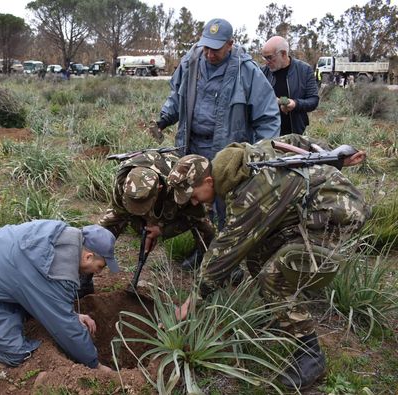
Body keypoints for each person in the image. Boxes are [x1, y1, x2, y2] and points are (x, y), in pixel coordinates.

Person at [166, 135, 369, 390]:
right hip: (307, 209)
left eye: (193, 196)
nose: (195, 202)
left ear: (208, 181)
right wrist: (329, 154)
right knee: (257, 254)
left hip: (336, 214)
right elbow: (294, 140)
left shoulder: (251, 193)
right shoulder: (241, 160)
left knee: (274, 277)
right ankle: (283, 313)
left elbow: (225, 252)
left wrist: (191, 302)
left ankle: (310, 353)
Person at [149, 18, 280, 234]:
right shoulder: (190, 63)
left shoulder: (245, 70)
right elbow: (176, 96)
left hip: (227, 152)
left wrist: (259, 154)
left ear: (230, 44)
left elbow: (267, 116)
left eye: (216, 49)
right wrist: (164, 119)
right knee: (194, 202)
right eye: (206, 47)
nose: (209, 54)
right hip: (191, 146)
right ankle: (201, 249)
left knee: (225, 204)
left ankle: (224, 257)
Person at [0, 220, 119, 372]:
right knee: (15, 354)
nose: (99, 272)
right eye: (101, 266)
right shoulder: (53, 272)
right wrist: (95, 364)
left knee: (27, 310)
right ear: (88, 257)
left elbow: (42, 293)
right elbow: (65, 328)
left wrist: (73, 316)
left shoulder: (61, 235)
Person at [79, 150, 215, 295]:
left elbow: (194, 216)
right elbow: (120, 212)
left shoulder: (177, 183)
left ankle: (215, 271)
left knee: (205, 227)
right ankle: (84, 278)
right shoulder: (122, 183)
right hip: (139, 201)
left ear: (159, 189)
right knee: (102, 232)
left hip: (171, 200)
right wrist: (145, 226)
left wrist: (161, 229)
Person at [261, 36, 320, 136]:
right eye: (264, 57)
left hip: (294, 132)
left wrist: (295, 104)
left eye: (270, 57)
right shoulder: (262, 72)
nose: (266, 62)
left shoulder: (304, 70)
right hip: (268, 133)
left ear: (283, 54)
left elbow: (313, 100)